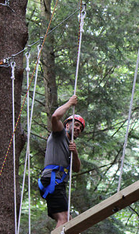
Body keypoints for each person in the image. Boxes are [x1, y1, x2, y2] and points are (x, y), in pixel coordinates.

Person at [38, 95, 85, 228]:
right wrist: (70, 103)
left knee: (67, 220)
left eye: (80, 129)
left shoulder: (70, 146)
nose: (77, 129)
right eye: (76, 125)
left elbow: (76, 169)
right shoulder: (59, 133)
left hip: (56, 182)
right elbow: (54, 117)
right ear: (67, 124)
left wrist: (75, 153)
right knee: (64, 219)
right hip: (53, 179)